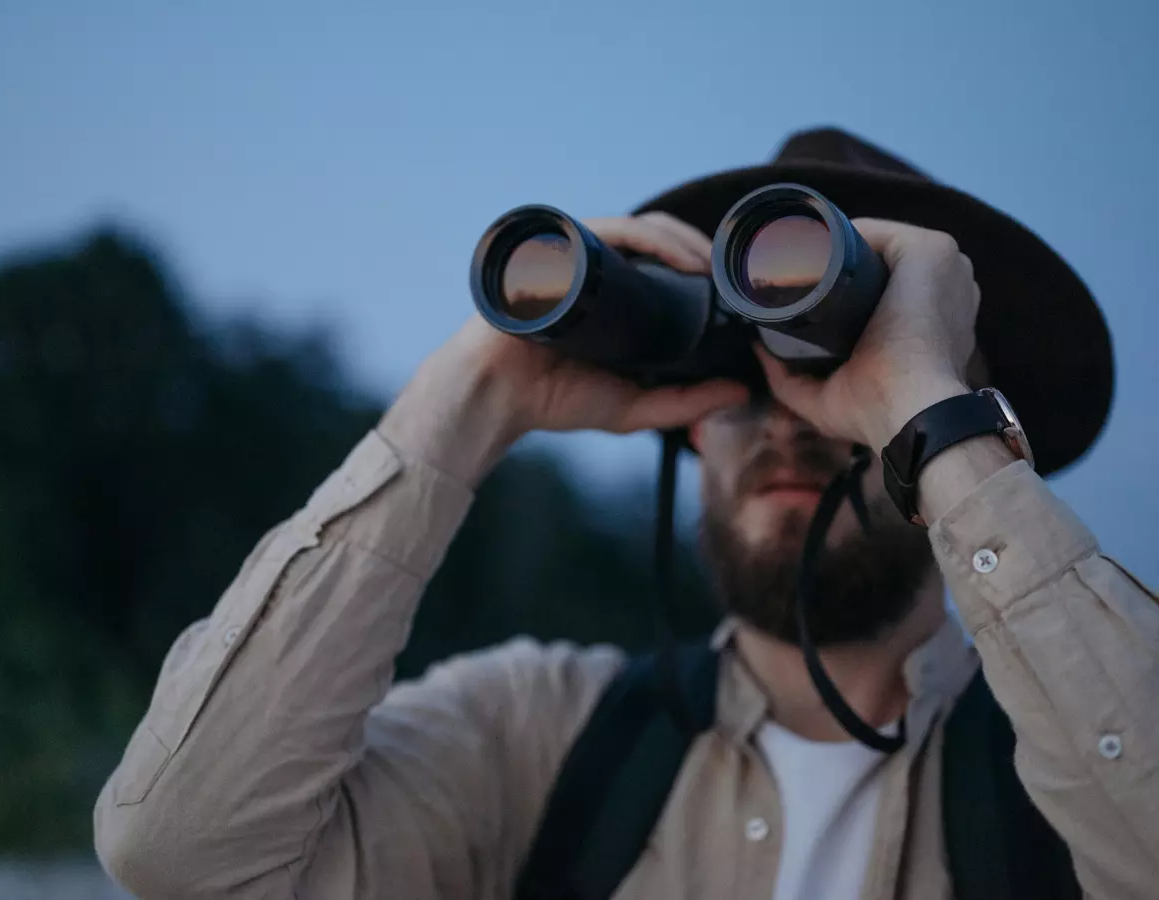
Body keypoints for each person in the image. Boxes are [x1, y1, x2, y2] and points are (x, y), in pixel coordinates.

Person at [93, 128, 1156, 900]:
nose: (786, 420)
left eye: (852, 363)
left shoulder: (1061, 768)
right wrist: (472, 398)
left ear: (956, 405)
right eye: (741, 369)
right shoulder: (543, 740)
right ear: (690, 423)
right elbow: (181, 853)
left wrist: (936, 428)